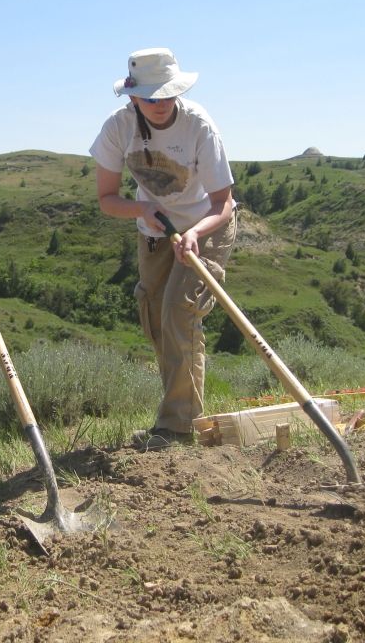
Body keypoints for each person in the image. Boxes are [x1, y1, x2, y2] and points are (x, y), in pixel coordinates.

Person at [89, 48, 236, 451]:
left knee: (178, 311)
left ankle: (177, 426)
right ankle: (179, 413)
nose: (160, 104)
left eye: (167, 95)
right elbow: (106, 198)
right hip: (154, 229)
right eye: (151, 97)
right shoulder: (118, 128)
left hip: (206, 226)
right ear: (133, 96)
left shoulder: (199, 126)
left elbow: (223, 202)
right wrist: (142, 208)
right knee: (155, 317)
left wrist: (195, 234)